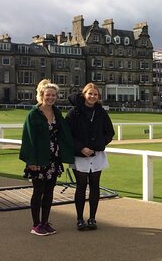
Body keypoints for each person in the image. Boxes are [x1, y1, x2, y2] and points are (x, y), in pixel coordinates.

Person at [19, 79, 74, 236]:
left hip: (53, 158)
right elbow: (28, 139)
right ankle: (36, 225)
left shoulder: (56, 113)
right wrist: (31, 161)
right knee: (38, 191)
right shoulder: (34, 115)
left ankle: (45, 222)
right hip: (38, 159)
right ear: (41, 95)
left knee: (49, 192)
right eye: (48, 95)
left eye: (54, 95)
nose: (51, 97)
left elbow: (64, 133)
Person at [65, 83, 115, 231]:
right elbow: (68, 135)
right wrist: (81, 148)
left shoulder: (101, 112)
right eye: (90, 94)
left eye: (95, 94)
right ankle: (80, 219)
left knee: (95, 185)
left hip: (97, 154)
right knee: (81, 186)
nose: (93, 97)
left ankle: (92, 218)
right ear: (84, 94)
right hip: (80, 155)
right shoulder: (73, 112)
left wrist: (98, 145)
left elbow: (109, 132)